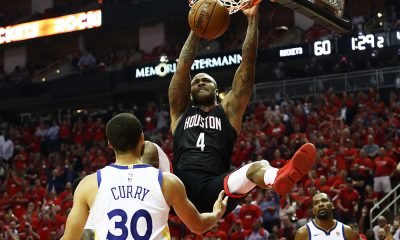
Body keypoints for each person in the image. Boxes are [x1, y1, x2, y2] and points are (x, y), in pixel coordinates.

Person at [168, 4, 316, 214]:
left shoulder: (228, 110)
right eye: (197, 81)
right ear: (189, 92)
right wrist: (196, 27)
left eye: (206, 81)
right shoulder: (180, 112)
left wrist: (252, 19)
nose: (200, 82)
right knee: (149, 150)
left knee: (257, 167)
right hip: (178, 187)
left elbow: (247, 64)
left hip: (216, 189)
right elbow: (182, 69)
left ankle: (279, 178)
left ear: (216, 89)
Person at [61, 113, 228, 239]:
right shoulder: (168, 182)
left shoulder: (88, 185)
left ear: (110, 144)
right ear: (142, 138)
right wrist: (216, 214)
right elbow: (198, 226)